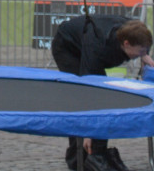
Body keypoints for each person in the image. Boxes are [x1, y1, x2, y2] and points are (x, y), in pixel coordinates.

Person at [51, 15, 154, 171]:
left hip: (87, 41)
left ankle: (100, 152)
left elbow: (142, 41)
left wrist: (145, 55)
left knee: (104, 98)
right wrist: (88, 132)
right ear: (126, 44)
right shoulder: (98, 47)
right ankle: (80, 158)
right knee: (85, 97)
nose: (142, 54)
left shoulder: (133, 30)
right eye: (140, 51)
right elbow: (87, 89)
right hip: (67, 47)